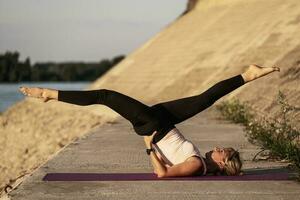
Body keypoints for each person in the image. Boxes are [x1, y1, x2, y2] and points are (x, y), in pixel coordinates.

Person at [19, 64, 280, 178]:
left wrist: (147, 145)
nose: (220, 148)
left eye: (225, 151)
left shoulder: (195, 166)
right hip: (164, 122)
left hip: (154, 125)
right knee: (205, 99)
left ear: (222, 163)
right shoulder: (198, 163)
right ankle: (248, 75)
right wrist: (156, 148)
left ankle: (48, 94)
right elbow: (168, 160)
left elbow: (162, 173)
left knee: (104, 95)